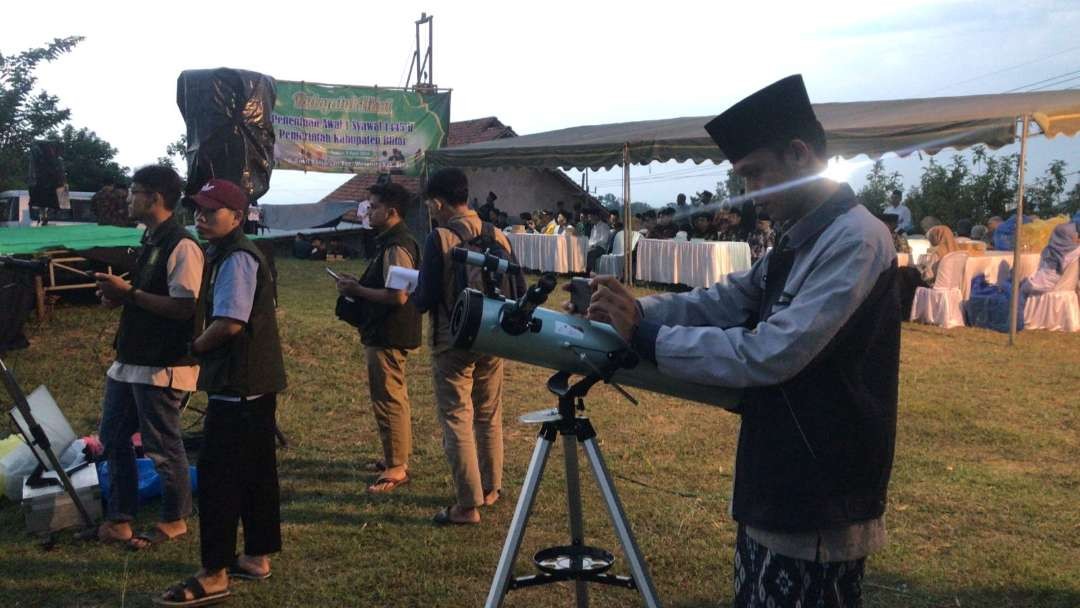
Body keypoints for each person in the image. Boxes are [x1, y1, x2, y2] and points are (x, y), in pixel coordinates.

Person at [585, 74, 899, 608]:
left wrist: (650, 335)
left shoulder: (858, 238)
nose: (749, 193)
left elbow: (772, 352)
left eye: (755, 174)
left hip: (822, 488)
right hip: (779, 470)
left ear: (799, 154)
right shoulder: (802, 236)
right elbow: (726, 300)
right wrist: (637, 309)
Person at [156, 178, 287, 606]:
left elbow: (230, 321)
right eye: (197, 209)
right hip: (254, 385)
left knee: (218, 481)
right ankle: (256, 556)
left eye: (211, 211)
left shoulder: (236, 257)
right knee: (256, 474)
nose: (201, 217)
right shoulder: (226, 252)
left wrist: (192, 349)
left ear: (237, 214)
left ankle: (214, 573)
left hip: (238, 385)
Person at [88, 165, 202, 550]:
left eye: (134, 191)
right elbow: (144, 293)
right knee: (113, 437)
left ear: (155, 198)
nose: (127, 198)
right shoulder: (151, 239)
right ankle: (120, 518)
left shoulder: (182, 245)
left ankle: (175, 518)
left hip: (162, 364)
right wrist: (116, 296)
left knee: (163, 446)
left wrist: (131, 295)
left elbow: (184, 307)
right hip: (131, 359)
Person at [413, 167, 524, 525]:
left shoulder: (439, 238)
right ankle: (491, 489)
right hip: (493, 335)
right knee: (489, 414)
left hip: (452, 337)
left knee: (457, 417)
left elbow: (426, 297)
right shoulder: (499, 235)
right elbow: (518, 289)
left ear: (438, 201)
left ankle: (467, 504)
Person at [334, 182, 422, 493]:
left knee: (389, 399)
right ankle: (394, 458)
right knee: (391, 396)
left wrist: (356, 290)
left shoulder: (398, 245)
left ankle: (397, 466)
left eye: (373, 207)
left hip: (388, 331)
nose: (368, 212)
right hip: (384, 330)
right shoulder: (390, 242)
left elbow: (397, 296)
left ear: (392, 211)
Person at [1021, 221, 1080, 295]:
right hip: (1068, 295)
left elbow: (1042, 273)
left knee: (1022, 289)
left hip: (1046, 289)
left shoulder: (1050, 251)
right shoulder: (1076, 252)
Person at [584, 207, 612, 272]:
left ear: (596, 216)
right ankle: (582, 271)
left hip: (601, 248)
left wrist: (593, 245)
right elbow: (591, 240)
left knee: (590, 253)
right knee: (583, 251)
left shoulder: (604, 226)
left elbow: (604, 240)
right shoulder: (593, 227)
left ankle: (589, 272)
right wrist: (588, 245)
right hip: (593, 247)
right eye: (588, 217)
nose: (589, 219)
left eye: (590, 217)